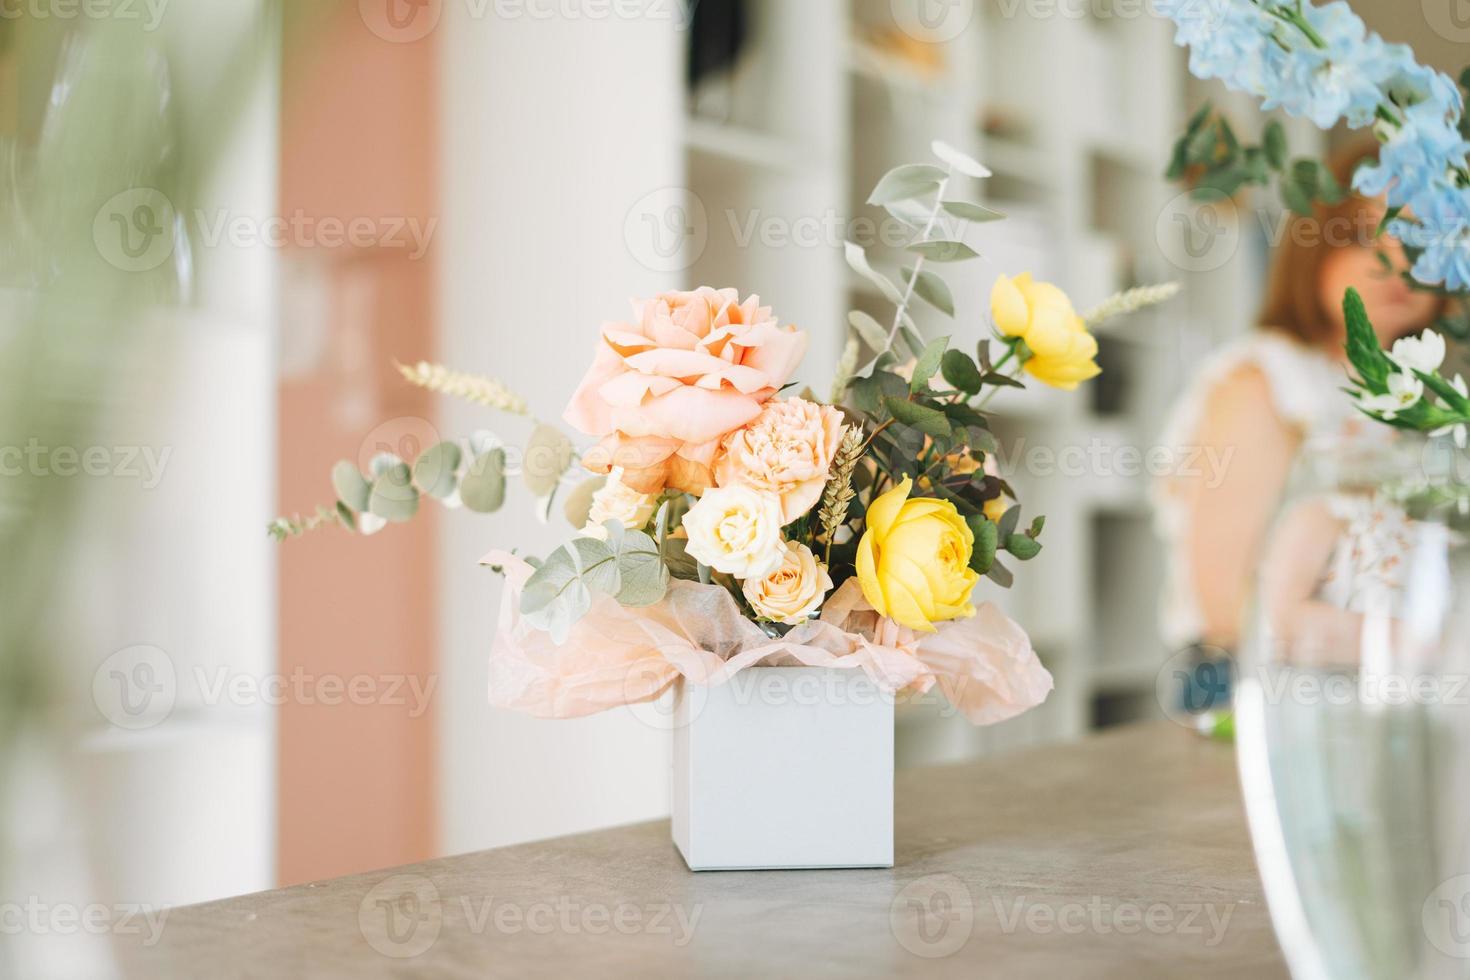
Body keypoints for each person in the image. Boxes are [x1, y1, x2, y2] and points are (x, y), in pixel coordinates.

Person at [1155, 138, 1445, 661]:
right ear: (1312, 244)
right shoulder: (1264, 381)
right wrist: (1421, 647)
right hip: (1247, 694)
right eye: (1360, 234)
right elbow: (1227, 609)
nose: (1394, 259)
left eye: (1418, 238)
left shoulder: (1406, 401)